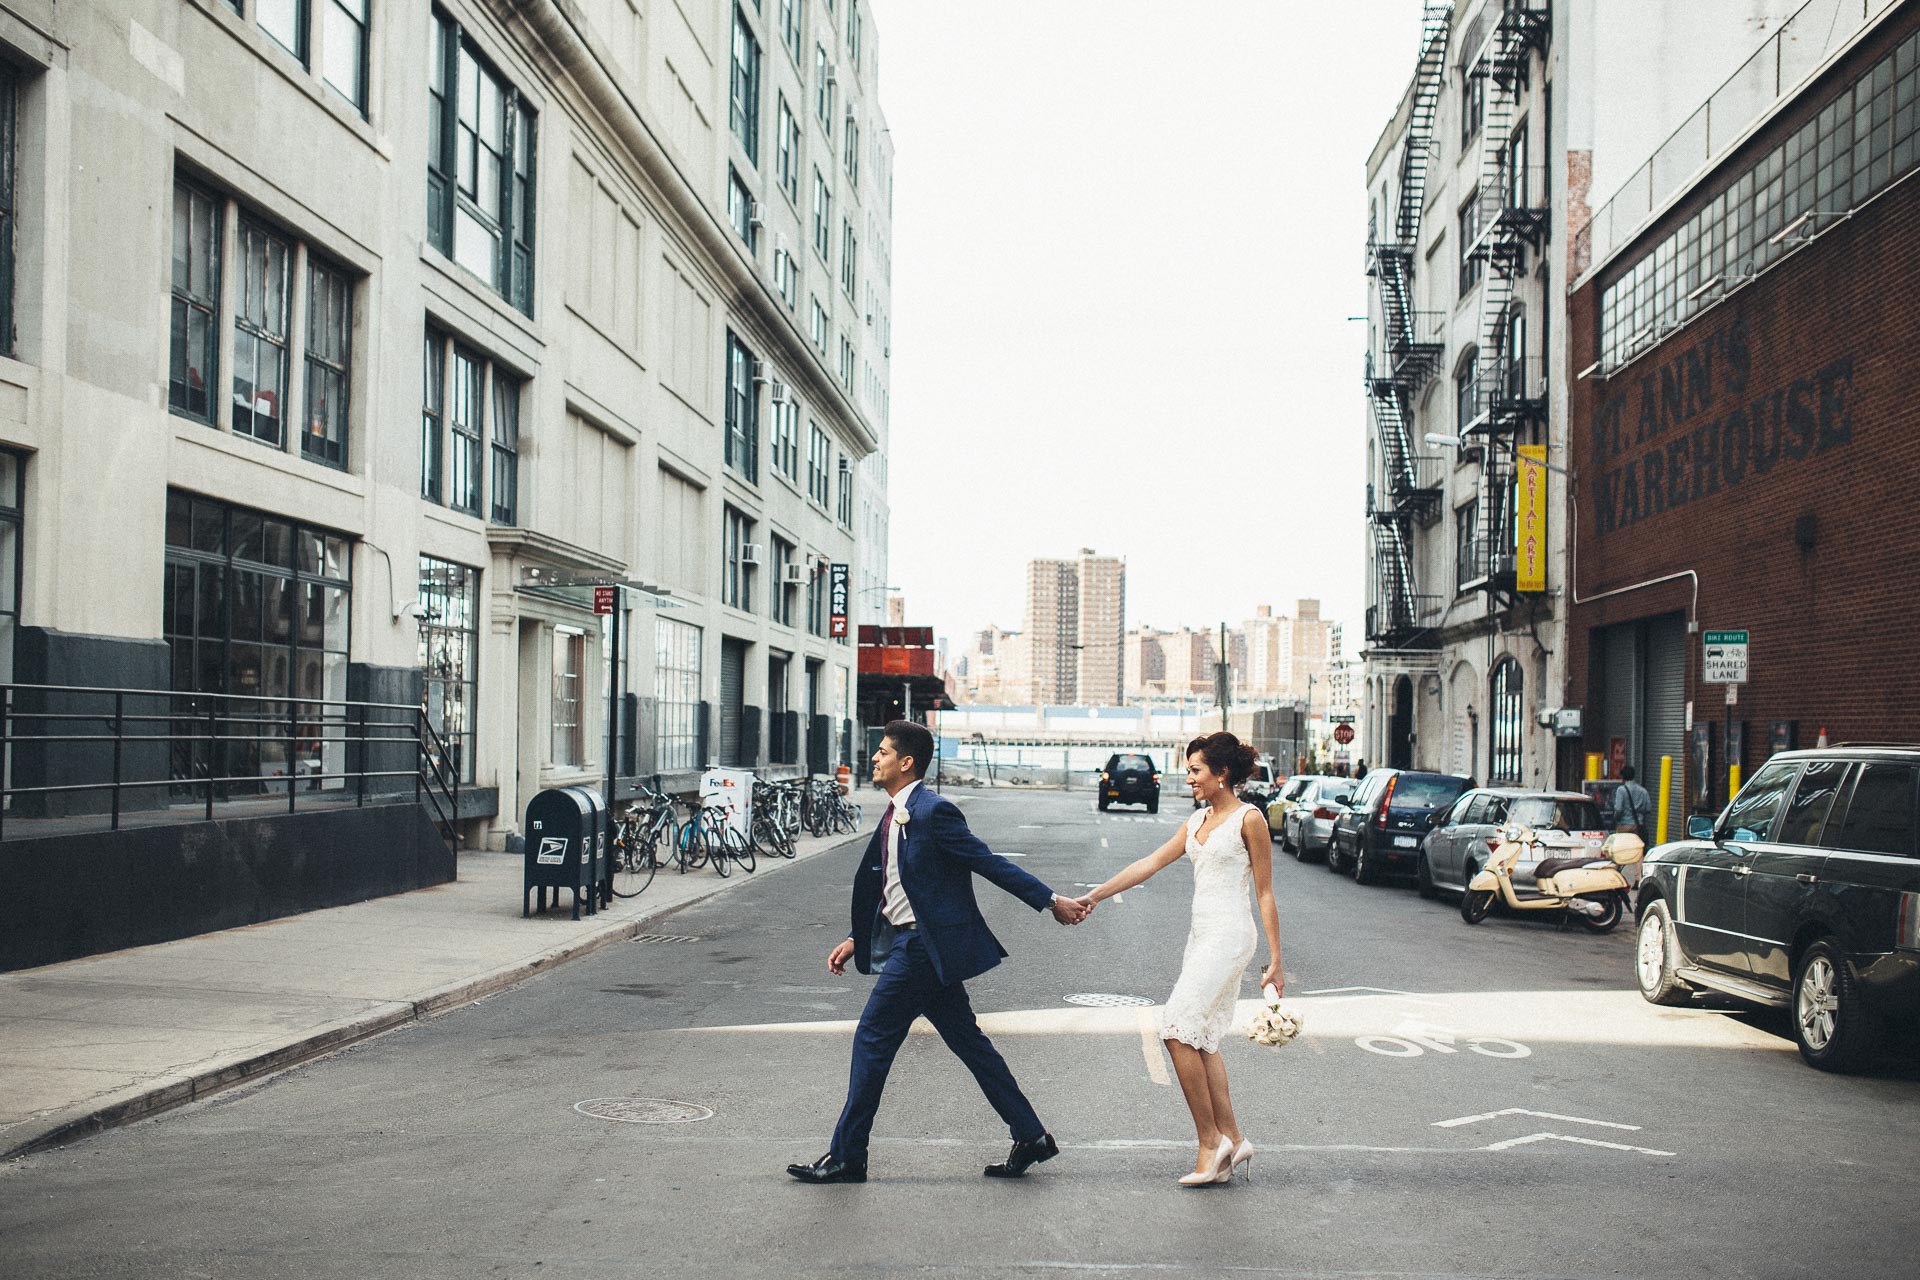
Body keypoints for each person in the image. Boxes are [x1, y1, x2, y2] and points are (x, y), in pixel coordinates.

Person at [787, 719, 1090, 1185]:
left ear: (906, 763)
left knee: (872, 1037)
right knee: (970, 1043)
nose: (874, 758)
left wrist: (1051, 902)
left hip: (921, 950)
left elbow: (986, 862)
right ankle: (1031, 1135)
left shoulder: (933, 812)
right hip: (917, 944)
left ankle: (848, 1156)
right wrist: (858, 939)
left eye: (883, 752)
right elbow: (896, 887)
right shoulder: (895, 812)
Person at [1074, 732, 1284, 1187]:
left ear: (1222, 774)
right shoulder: (1195, 823)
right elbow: (1148, 864)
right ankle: (1234, 1137)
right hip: (1201, 935)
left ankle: (1210, 1143)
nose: (1188, 778)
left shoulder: (1250, 820)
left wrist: (1276, 959)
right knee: (1203, 1038)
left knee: (1175, 1027)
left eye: (1195, 770)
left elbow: (1265, 892)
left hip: (1230, 936)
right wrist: (1094, 896)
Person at [1615, 764, 1654, 838]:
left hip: (1624, 826)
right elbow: (1648, 809)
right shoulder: (1643, 791)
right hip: (1638, 827)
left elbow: (1618, 809)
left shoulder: (1621, 790)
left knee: (1622, 848)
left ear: (1623, 777)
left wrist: (1616, 819)